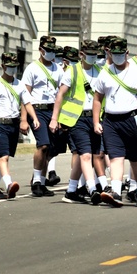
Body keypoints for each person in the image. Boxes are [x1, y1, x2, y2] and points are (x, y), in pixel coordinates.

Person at [91, 38, 137, 208]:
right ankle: (116, 192)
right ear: (110, 54)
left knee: (136, 159)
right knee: (115, 157)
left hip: (132, 119)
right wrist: (96, 121)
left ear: (127, 53)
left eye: (121, 54)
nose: (118, 57)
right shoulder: (105, 72)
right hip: (111, 121)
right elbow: (97, 98)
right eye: (115, 54)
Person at [50, 41, 105, 204]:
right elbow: (60, 95)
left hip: (95, 118)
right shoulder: (72, 71)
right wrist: (54, 118)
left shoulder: (100, 71)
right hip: (76, 119)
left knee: (88, 155)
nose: (93, 57)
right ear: (81, 54)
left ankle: (71, 190)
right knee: (85, 155)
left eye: (95, 54)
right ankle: (92, 189)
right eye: (90, 54)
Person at [0, 52, 39, 200]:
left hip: (13, 124)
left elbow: (27, 103)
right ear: (3, 66)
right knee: (3, 156)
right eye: (9, 66)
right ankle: (8, 184)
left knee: (3, 156)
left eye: (15, 66)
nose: (12, 69)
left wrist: (34, 118)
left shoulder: (19, 84)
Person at [22, 35, 64, 197]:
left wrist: (58, 117)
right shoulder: (32, 68)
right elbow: (25, 94)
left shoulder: (58, 69)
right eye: (48, 50)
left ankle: (41, 179)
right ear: (41, 50)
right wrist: (24, 119)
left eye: (53, 50)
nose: (51, 53)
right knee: (43, 145)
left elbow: (61, 94)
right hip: (37, 110)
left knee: (50, 150)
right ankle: (37, 181)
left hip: (52, 111)